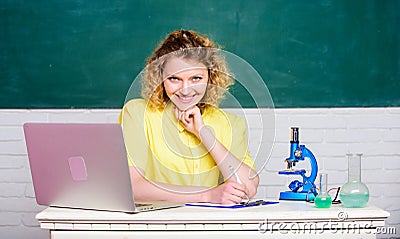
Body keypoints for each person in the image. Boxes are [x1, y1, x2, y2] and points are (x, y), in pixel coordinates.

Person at [118, 30, 259, 204]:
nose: (185, 90)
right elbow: (132, 186)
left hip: (210, 226)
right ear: (160, 78)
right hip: (154, 226)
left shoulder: (230, 123)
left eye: (196, 78)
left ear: (211, 76)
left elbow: (248, 187)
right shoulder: (137, 113)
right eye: (175, 79)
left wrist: (202, 132)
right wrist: (207, 195)